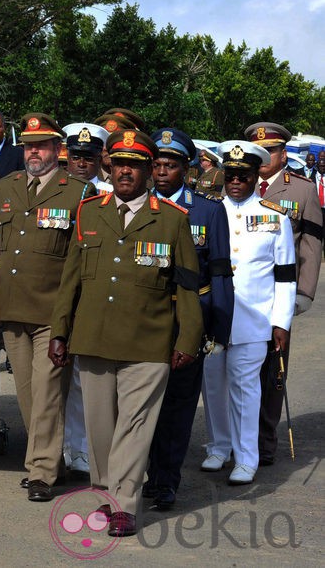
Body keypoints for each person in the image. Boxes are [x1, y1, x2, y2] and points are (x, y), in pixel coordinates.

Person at [49, 128, 203, 537]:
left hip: (148, 342)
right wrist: (59, 332)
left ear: (148, 171)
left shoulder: (171, 220)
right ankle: (107, 492)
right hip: (94, 338)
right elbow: (71, 281)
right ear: (108, 166)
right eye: (119, 164)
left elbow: (187, 287)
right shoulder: (88, 212)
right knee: (101, 429)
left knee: (135, 427)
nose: (125, 172)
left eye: (134, 166)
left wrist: (188, 340)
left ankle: (125, 506)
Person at [0, 113, 95, 502]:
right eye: (28, 145)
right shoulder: (8, 185)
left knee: (49, 392)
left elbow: (80, 259)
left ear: (57, 149)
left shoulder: (78, 191)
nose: (33, 151)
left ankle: (41, 473)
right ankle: (53, 460)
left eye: (41, 145)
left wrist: (70, 318)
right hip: (13, 307)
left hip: (53, 311)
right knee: (29, 395)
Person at [143, 128, 233, 509]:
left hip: (187, 324)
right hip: (144, 323)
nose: (163, 171)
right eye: (158, 164)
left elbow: (220, 273)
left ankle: (167, 481)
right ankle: (146, 474)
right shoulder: (136, 207)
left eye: (171, 164)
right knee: (143, 406)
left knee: (179, 408)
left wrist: (218, 327)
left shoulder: (208, 211)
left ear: (187, 168)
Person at [202, 140, 295, 486]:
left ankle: (246, 457)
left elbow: (285, 276)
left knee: (245, 389)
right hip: (213, 319)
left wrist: (280, 322)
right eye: (231, 176)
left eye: (244, 175)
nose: (236, 182)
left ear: (257, 176)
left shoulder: (275, 216)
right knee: (212, 386)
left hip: (253, 320)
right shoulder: (209, 211)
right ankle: (218, 447)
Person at [243, 122, 322, 466]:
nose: (264, 157)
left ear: (283, 153)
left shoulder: (301, 191)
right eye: (258, 150)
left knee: (272, 369)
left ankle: (264, 440)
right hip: (240, 292)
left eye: (271, 151)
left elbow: (312, 243)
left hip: (279, 293)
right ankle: (235, 439)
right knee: (233, 369)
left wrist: (303, 293)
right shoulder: (235, 183)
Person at [58, 121, 110, 478]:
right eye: (75, 156)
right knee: (64, 379)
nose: (81, 164)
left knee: (90, 380)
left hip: (96, 294)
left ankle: (87, 450)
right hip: (62, 292)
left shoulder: (110, 193)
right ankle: (66, 449)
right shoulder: (56, 190)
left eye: (88, 158)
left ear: (99, 159)